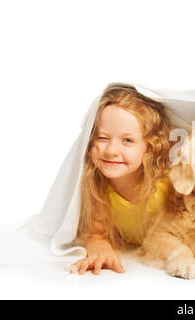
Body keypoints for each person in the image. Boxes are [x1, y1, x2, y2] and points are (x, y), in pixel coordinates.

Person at [68, 84, 172, 275]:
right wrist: (102, 251)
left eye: (128, 140)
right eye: (102, 137)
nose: (111, 151)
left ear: (151, 148)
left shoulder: (168, 185)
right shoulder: (97, 185)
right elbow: (95, 234)